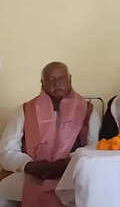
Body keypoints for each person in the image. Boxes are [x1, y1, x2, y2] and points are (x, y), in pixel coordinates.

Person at [0, 62, 99, 207]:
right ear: (42, 83)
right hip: (32, 173)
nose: (56, 83)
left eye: (61, 78)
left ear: (70, 79)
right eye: (51, 79)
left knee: (92, 193)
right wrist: (29, 165)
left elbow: (94, 149)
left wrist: (66, 164)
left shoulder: (88, 110)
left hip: (71, 174)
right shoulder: (25, 109)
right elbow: (6, 151)